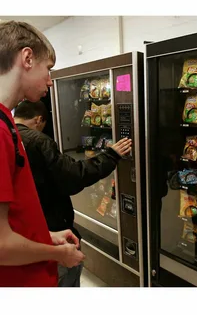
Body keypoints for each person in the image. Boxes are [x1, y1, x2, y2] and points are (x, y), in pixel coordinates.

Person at [0, 20, 85, 287]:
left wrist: (45, 236)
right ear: (27, 58)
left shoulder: (8, 123)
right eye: (47, 69)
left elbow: (13, 219)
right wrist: (57, 253)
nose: (50, 80)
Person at [14, 100, 132, 287]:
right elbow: (73, 177)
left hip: (29, 231)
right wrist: (111, 155)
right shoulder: (38, 141)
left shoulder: (9, 136)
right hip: (53, 229)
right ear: (39, 120)